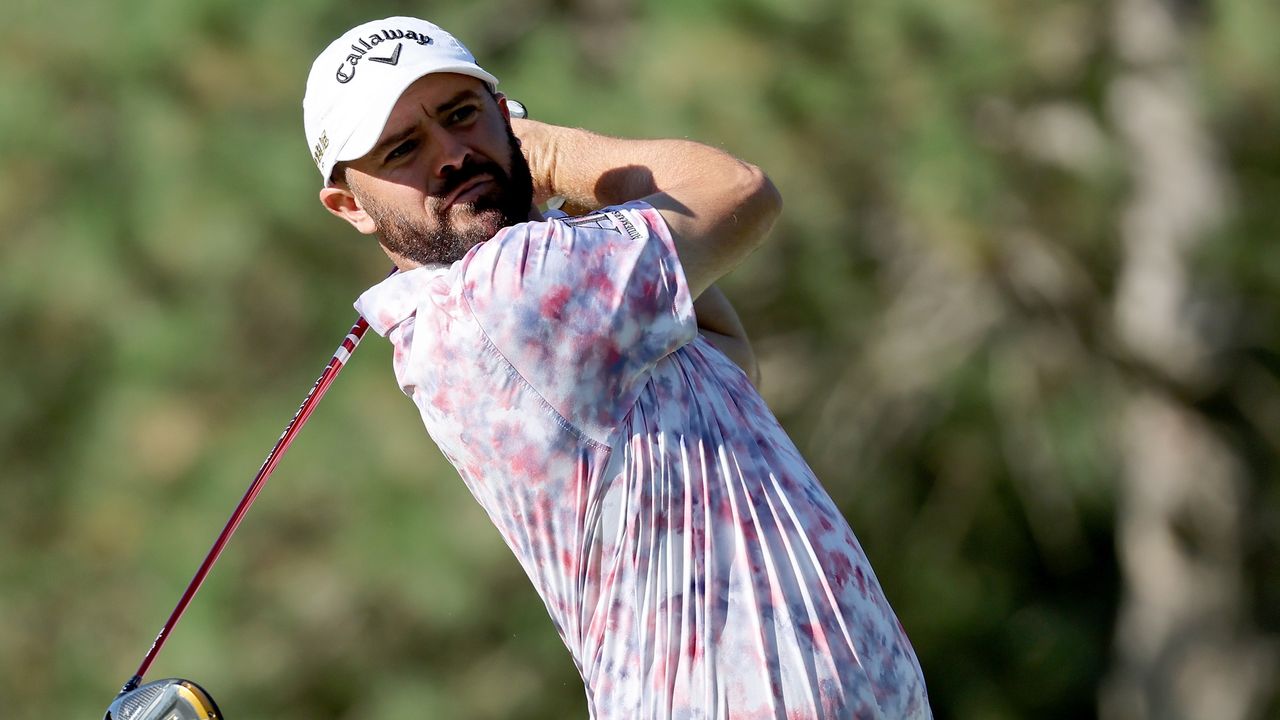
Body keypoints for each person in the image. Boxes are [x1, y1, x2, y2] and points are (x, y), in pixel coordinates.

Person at [303, 15, 931, 720]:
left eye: (461, 115)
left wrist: (550, 206)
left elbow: (723, 352)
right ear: (350, 205)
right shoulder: (507, 290)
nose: (451, 154)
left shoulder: (504, 300)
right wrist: (538, 151)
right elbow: (738, 190)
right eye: (403, 150)